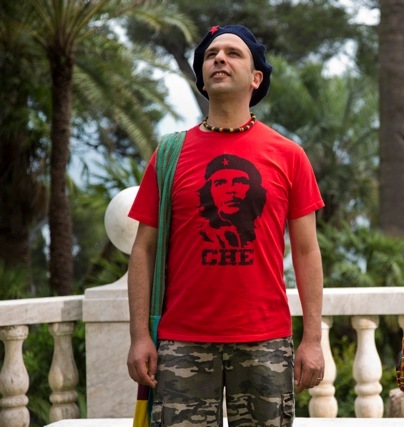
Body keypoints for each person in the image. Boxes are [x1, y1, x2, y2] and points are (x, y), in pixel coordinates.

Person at [126, 24, 325, 427]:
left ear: (256, 78)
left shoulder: (289, 155)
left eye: (234, 53)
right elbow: (143, 250)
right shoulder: (170, 154)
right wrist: (139, 336)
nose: (219, 58)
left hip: (266, 341)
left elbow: (307, 251)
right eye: (211, 55)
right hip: (181, 342)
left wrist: (313, 339)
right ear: (202, 78)